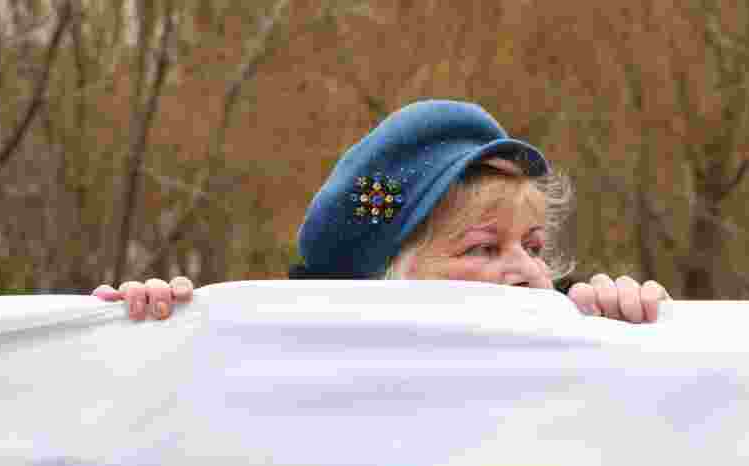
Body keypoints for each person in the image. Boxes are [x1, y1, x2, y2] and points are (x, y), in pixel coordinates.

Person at [93, 100, 669, 322]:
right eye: (483, 247)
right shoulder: (291, 373)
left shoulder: (584, 340)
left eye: (534, 246)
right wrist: (142, 337)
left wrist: (645, 336)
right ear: (385, 280)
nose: (528, 270)